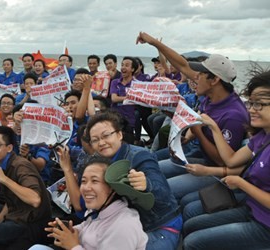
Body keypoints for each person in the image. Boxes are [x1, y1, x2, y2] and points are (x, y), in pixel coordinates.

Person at [136, 32, 250, 202]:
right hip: (196, 152)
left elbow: (222, 161)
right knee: (148, 168)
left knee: (161, 189)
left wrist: (196, 131)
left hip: (212, 169)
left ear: (215, 80)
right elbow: (182, 65)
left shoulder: (233, 115)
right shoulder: (212, 97)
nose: (195, 77)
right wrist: (154, 43)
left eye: (201, 74)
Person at [183, 70, 270, 249]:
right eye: (251, 103)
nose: (251, 110)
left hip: (265, 225)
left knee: (193, 242)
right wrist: (214, 128)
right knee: (190, 225)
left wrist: (241, 183)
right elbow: (230, 160)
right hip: (252, 207)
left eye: (259, 105)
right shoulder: (262, 137)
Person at [85, 111, 182, 250]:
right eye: (95, 140)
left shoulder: (139, 156)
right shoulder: (97, 162)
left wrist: (147, 184)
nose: (101, 143)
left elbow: (163, 194)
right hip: (124, 225)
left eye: (106, 135)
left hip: (157, 225)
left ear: (119, 134)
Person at [31, 157, 148, 250]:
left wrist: (73, 246)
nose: (86, 188)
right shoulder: (98, 210)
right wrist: (71, 231)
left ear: (112, 188)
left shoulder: (123, 226)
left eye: (95, 181)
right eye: (83, 181)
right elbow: (87, 227)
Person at [0, 126, 51, 249]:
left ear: (9, 148)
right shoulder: (3, 164)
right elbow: (10, 202)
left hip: (33, 224)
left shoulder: (20, 165)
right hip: (17, 215)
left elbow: (35, 199)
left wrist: (4, 179)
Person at [109, 56, 138, 144]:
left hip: (129, 119)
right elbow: (114, 98)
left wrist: (122, 99)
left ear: (132, 69)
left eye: (127, 65)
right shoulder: (115, 82)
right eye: (122, 65)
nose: (123, 68)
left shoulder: (137, 84)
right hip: (114, 117)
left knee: (127, 144)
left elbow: (138, 100)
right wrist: (129, 98)